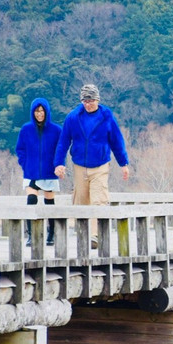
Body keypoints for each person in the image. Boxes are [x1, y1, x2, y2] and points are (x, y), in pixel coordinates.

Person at [55, 84, 129, 245]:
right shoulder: (73, 117)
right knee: (81, 200)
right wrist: (59, 163)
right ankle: (84, 235)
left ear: (97, 100)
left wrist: (123, 163)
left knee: (99, 199)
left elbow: (116, 140)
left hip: (101, 164)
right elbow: (63, 142)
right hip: (80, 165)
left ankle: (95, 235)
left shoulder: (106, 115)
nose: (88, 104)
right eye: (85, 101)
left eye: (91, 101)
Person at [15, 97, 62, 246]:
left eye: (42, 111)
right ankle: (32, 235)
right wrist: (25, 164)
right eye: (36, 111)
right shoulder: (26, 129)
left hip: (49, 171)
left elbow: (60, 150)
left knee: (49, 202)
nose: (39, 114)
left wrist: (58, 165)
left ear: (47, 112)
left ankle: (51, 234)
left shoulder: (56, 130)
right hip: (31, 171)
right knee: (31, 201)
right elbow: (20, 149)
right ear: (32, 112)